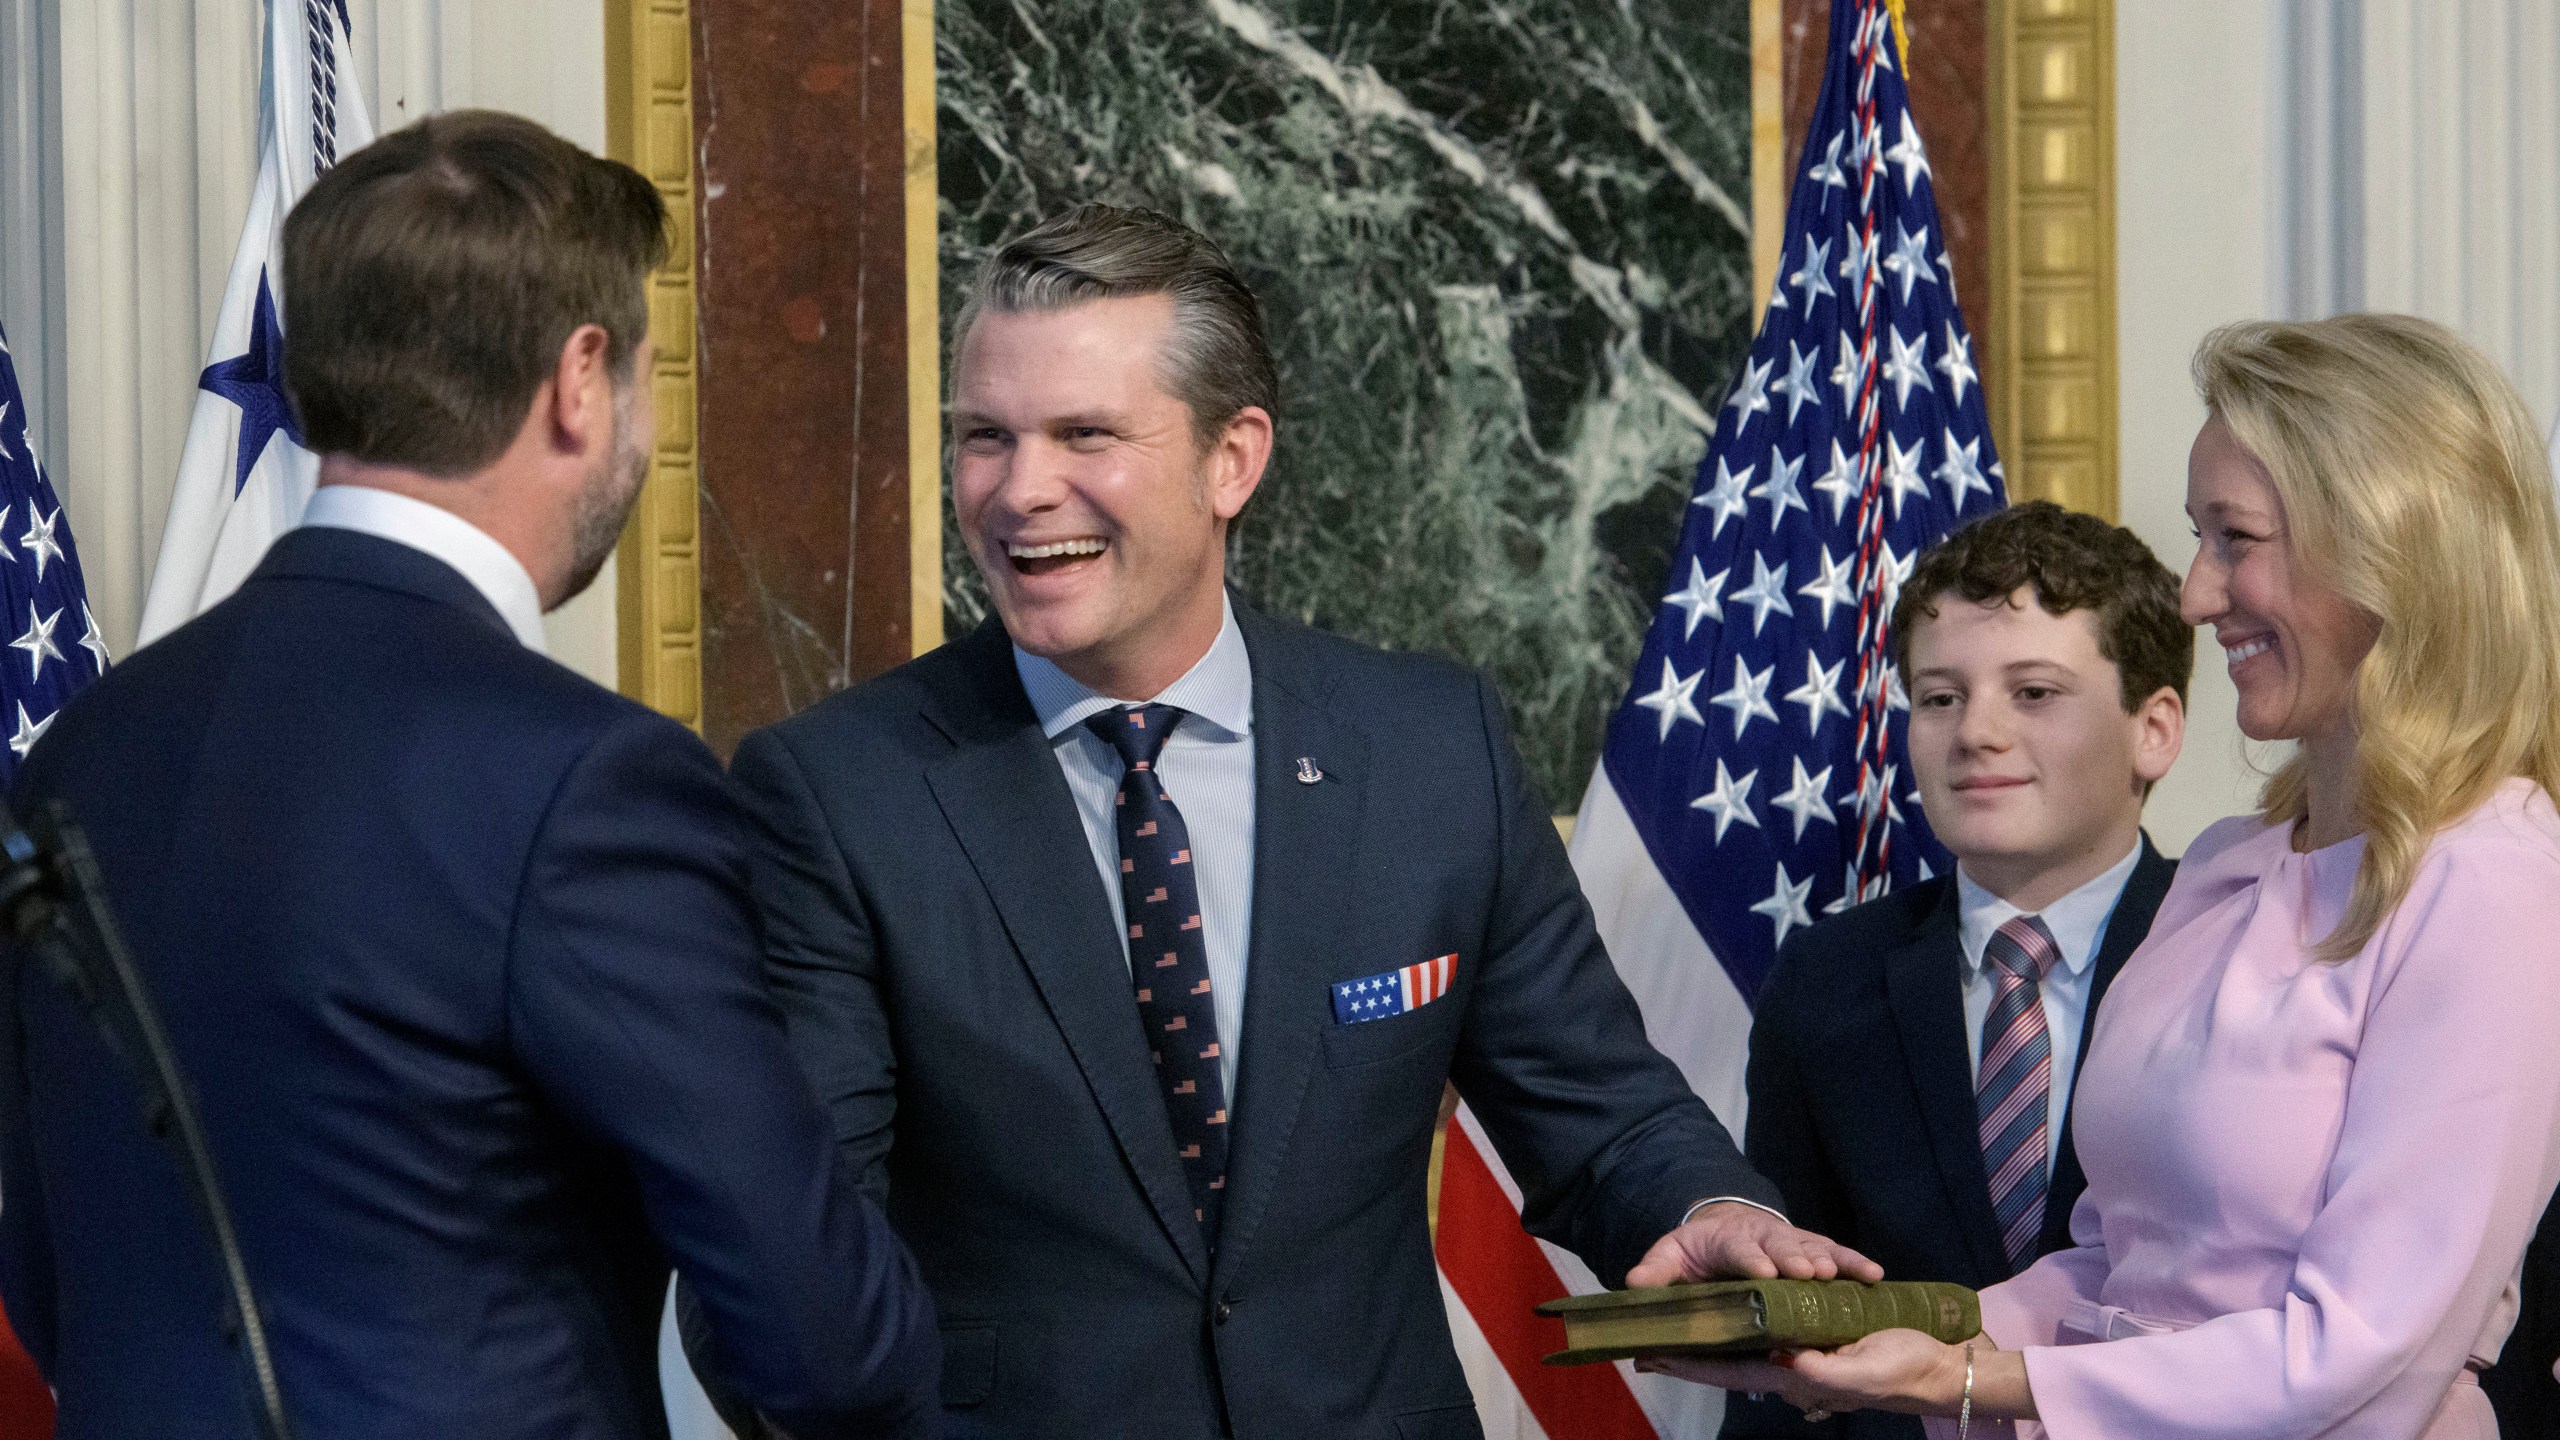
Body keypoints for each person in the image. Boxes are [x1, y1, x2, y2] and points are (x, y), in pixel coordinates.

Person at [721, 203, 1875, 1440]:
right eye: (985, 438)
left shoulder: (1431, 753)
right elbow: (794, 1256)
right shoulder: (835, 793)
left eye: (1084, 434)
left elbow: (1598, 1110)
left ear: (1235, 458)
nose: (1018, 491)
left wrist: (1703, 1206)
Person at [0, 112, 942, 1440]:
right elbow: (823, 1341)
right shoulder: (591, 784)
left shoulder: (84, 754)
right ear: (579, 377)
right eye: (649, 376)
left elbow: (47, 1267)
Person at [1653, 313, 2560, 1438]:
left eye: (2235, 538)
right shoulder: (2233, 867)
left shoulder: (2493, 881)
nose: (2195, 594)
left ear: (2388, 550)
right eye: (2201, 538)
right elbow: (2117, 1270)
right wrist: (1903, 1346)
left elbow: (2367, 1346)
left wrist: (1971, 1380)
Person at [1725, 501, 2189, 1440]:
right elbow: (1785, 1328)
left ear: (2155, 730)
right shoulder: (1826, 981)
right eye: (1940, 697)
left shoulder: (2236, 950)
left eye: (2033, 693)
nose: (1975, 732)